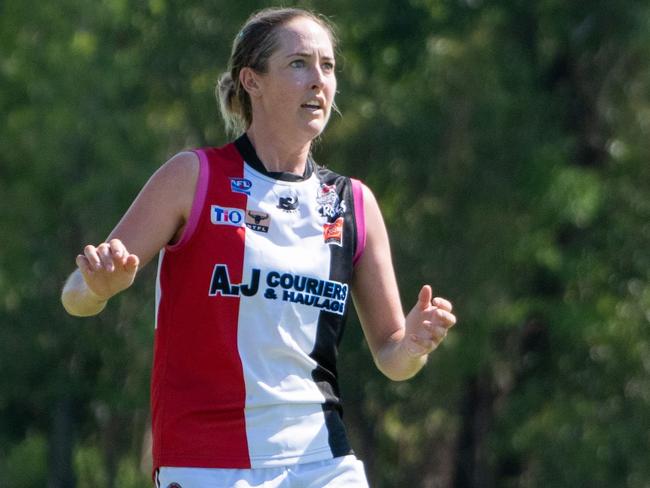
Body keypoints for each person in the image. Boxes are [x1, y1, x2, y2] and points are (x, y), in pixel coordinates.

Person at [61, 7, 456, 488]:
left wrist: (413, 345)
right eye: (298, 64)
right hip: (207, 462)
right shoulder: (192, 177)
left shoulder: (353, 202)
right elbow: (75, 296)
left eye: (327, 66)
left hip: (323, 459)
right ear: (252, 81)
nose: (318, 81)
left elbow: (392, 358)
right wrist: (98, 287)